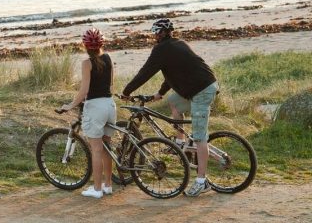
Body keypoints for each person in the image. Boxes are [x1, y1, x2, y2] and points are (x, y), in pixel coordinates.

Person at [121, 18, 219, 197]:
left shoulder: (161, 49)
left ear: (163, 33)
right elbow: (173, 71)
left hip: (202, 91)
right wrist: (160, 93)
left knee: (199, 138)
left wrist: (127, 91)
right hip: (203, 86)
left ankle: (201, 181)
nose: (155, 36)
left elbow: (146, 72)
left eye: (157, 32)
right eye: (154, 33)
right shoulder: (178, 44)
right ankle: (180, 142)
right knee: (174, 101)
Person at [60, 28, 116, 198]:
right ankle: (108, 185)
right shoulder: (108, 57)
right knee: (106, 147)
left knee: (97, 150)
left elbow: (84, 90)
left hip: (96, 108)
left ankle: (97, 189)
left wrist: (70, 105)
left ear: (85, 45)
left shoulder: (87, 63)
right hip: (110, 105)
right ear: (102, 43)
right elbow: (111, 84)